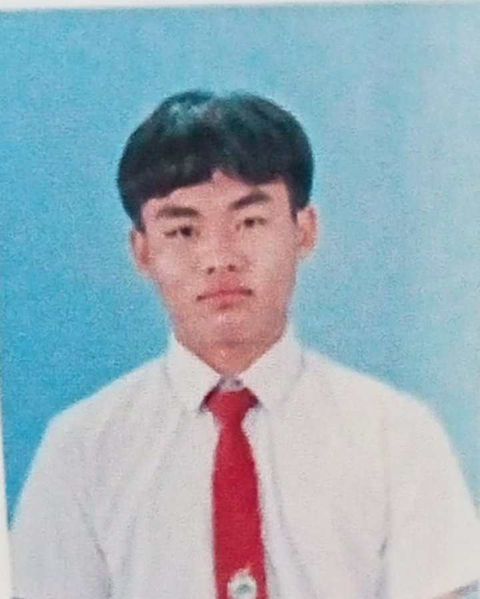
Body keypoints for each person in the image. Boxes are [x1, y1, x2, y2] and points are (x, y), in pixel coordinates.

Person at [10, 90, 480, 599]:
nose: (220, 257)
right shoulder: (81, 450)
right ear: (142, 251)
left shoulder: (396, 436)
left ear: (304, 230)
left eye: (250, 222)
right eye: (183, 230)